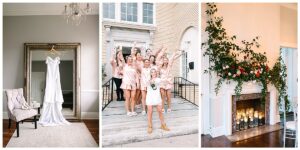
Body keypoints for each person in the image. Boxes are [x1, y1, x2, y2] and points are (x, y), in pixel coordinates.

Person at [146, 68, 170, 134]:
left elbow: (164, 81)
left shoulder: (158, 79)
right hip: (150, 97)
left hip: (157, 97)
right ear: (150, 73)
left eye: (154, 72)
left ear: (156, 73)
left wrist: (166, 81)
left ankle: (163, 125)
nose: (153, 73)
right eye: (152, 72)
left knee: (160, 111)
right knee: (150, 112)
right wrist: (151, 82)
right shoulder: (148, 80)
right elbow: (151, 86)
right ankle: (150, 126)